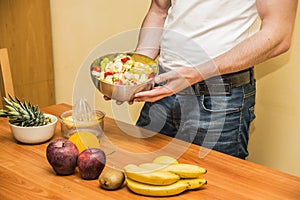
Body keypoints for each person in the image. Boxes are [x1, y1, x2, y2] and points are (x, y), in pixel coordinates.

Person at [108, 0, 298, 159]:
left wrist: (196, 73)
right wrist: (136, 69)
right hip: (161, 92)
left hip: (220, 101)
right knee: (139, 173)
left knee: (213, 188)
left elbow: (278, 35)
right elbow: (159, 11)